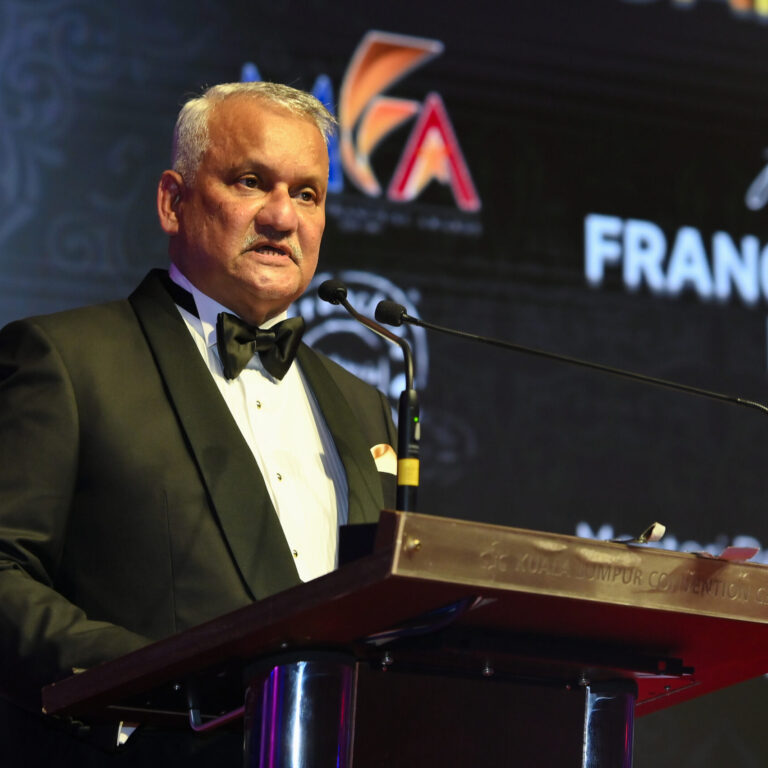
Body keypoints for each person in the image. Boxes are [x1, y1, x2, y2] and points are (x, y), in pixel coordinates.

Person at [0, 81, 397, 765]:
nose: (282, 216)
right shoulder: (66, 360)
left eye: (307, 194)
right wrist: (151, 680)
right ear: (172, 201)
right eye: (251, 182)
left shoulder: (364, 404)